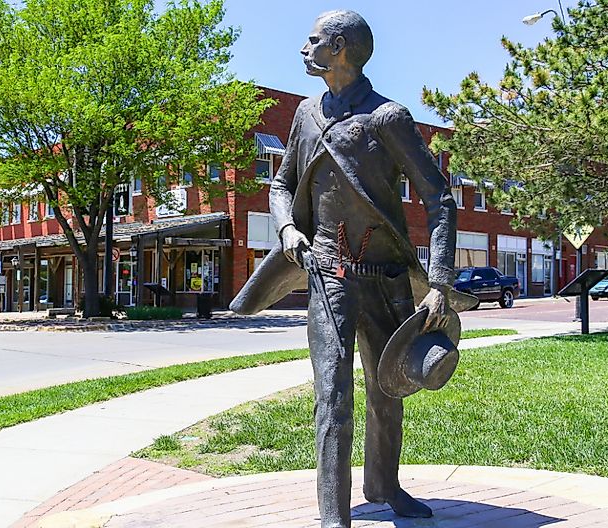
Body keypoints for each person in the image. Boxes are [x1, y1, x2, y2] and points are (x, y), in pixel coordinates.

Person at [230, 10, 475, 528]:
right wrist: (286, 230)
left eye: (314, 40)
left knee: (390, 388)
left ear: (339, 48)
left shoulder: (387, 118)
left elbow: (440, 200)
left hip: (386, 279)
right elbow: (280, 186)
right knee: (333, 396)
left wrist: (439, 283)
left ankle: (384, 483)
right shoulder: (304, 114)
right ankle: (332, 513)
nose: (304, 47)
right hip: (328, 274)